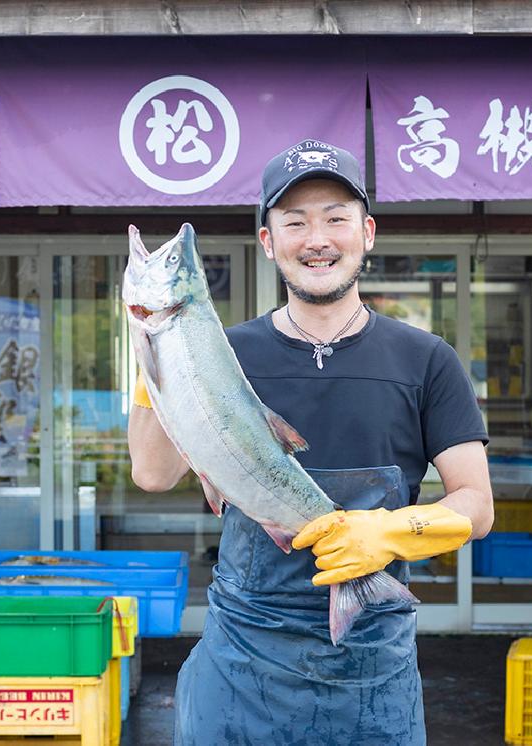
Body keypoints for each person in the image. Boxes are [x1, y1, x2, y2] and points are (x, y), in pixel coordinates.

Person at [127, 139, 493, 745]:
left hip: (371, 663)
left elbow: (475, 506)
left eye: (335, 219)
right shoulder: (224, 352)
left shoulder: (427, 360)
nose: (316, 238)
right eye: (294, 222)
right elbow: (152, 473)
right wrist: (152, 348)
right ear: (269, 242)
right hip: (243, 653)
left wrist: (391, 530)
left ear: (367, 232)